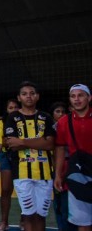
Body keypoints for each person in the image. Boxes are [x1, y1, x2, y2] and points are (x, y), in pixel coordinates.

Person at [4, 81, 55, 231]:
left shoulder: (46, 117)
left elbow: (50, 144)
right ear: (19, 98)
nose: (29, 97)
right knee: (28, 214)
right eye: (25, 94)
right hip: (22, 173)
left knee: (41, 215)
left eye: (32, 93)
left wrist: (21, 141)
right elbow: (11, 144)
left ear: (37, 96)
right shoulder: (13, 117)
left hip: (45, 173)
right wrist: (40, 141)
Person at [55, 84, 91, 231]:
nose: (77, 99)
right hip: (78, 177)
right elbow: (60, 149)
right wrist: (58, 175)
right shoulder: (63, 122)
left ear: (89, 98)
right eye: (73, 96)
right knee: (83, 222)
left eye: (80, 95)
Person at [50, 101, 75, 231]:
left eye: (63, 111)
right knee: (58, 203)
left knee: (68, 203)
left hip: (70, 166)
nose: (60, 114)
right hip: (56, 168)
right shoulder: (50, 129)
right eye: (57, 111)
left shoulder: (70, 126)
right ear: (52, 114)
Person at [0, 99, 19, 231]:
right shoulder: (0, 122)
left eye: (16, 107)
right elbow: (1, 142)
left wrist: (11, 141)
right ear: (7, 109)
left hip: (23, 157)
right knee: (5, 190)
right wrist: (19, 142)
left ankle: (24, 221)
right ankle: (4, 222)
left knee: (23, 191)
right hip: (6, 157)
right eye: (11, 107)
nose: (13, 109)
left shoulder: (23, 121)